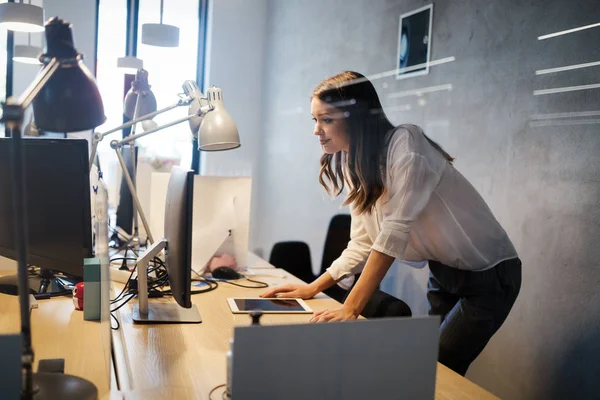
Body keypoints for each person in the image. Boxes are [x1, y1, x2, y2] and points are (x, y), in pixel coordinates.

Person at [260, 71, 522, 376]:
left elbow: (393, 232)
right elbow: (363, 241)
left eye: (326, 119)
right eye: (314, 120)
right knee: (429, 370)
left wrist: (352, 306)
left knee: (435, 370)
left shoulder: (405, 143)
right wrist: (313, 287)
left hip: (489, 275)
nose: (317, 130)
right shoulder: (352, 160)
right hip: (442, 271)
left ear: (356, 116)